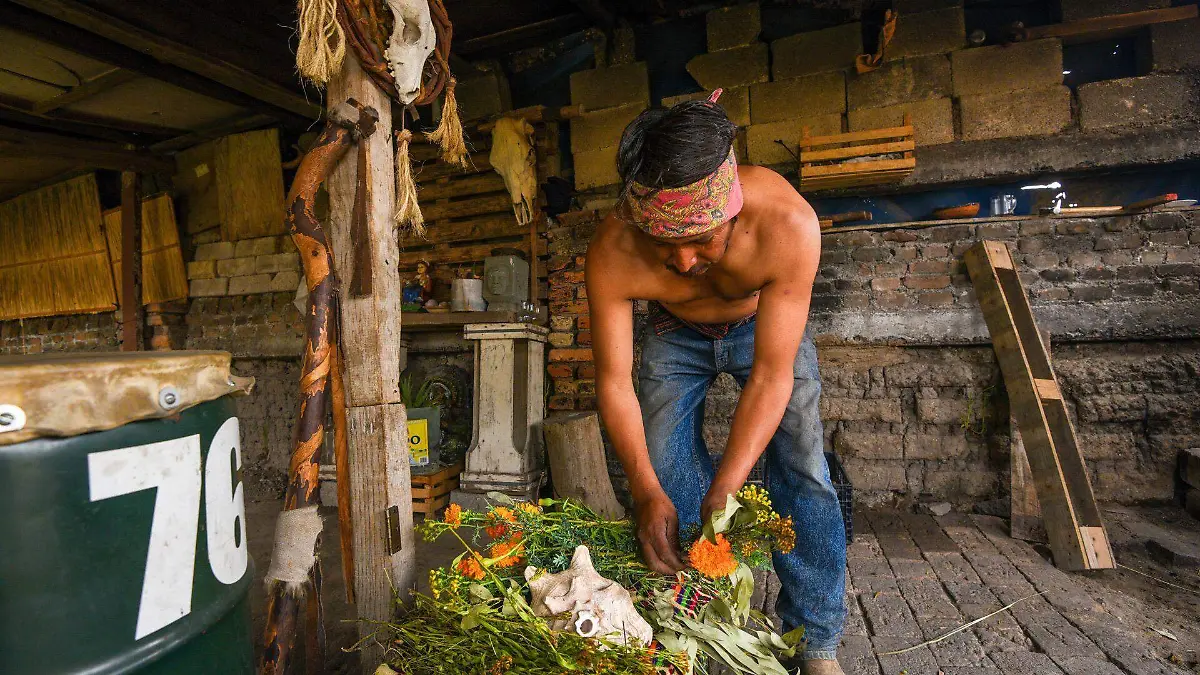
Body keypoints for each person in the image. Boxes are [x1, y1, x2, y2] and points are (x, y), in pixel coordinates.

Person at [584, 91, 846, 675]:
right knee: (666, 477)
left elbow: (776, 374)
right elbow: (614, 384)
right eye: (664, 247)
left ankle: (817, 642)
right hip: (672, 335)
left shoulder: (788, 224)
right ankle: (703, 626)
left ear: (730, 209)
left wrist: (727, 485)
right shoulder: (611, 250)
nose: (681, 265)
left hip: (763, 331)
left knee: (803, 469)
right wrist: (646, 491)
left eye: (700, 242)